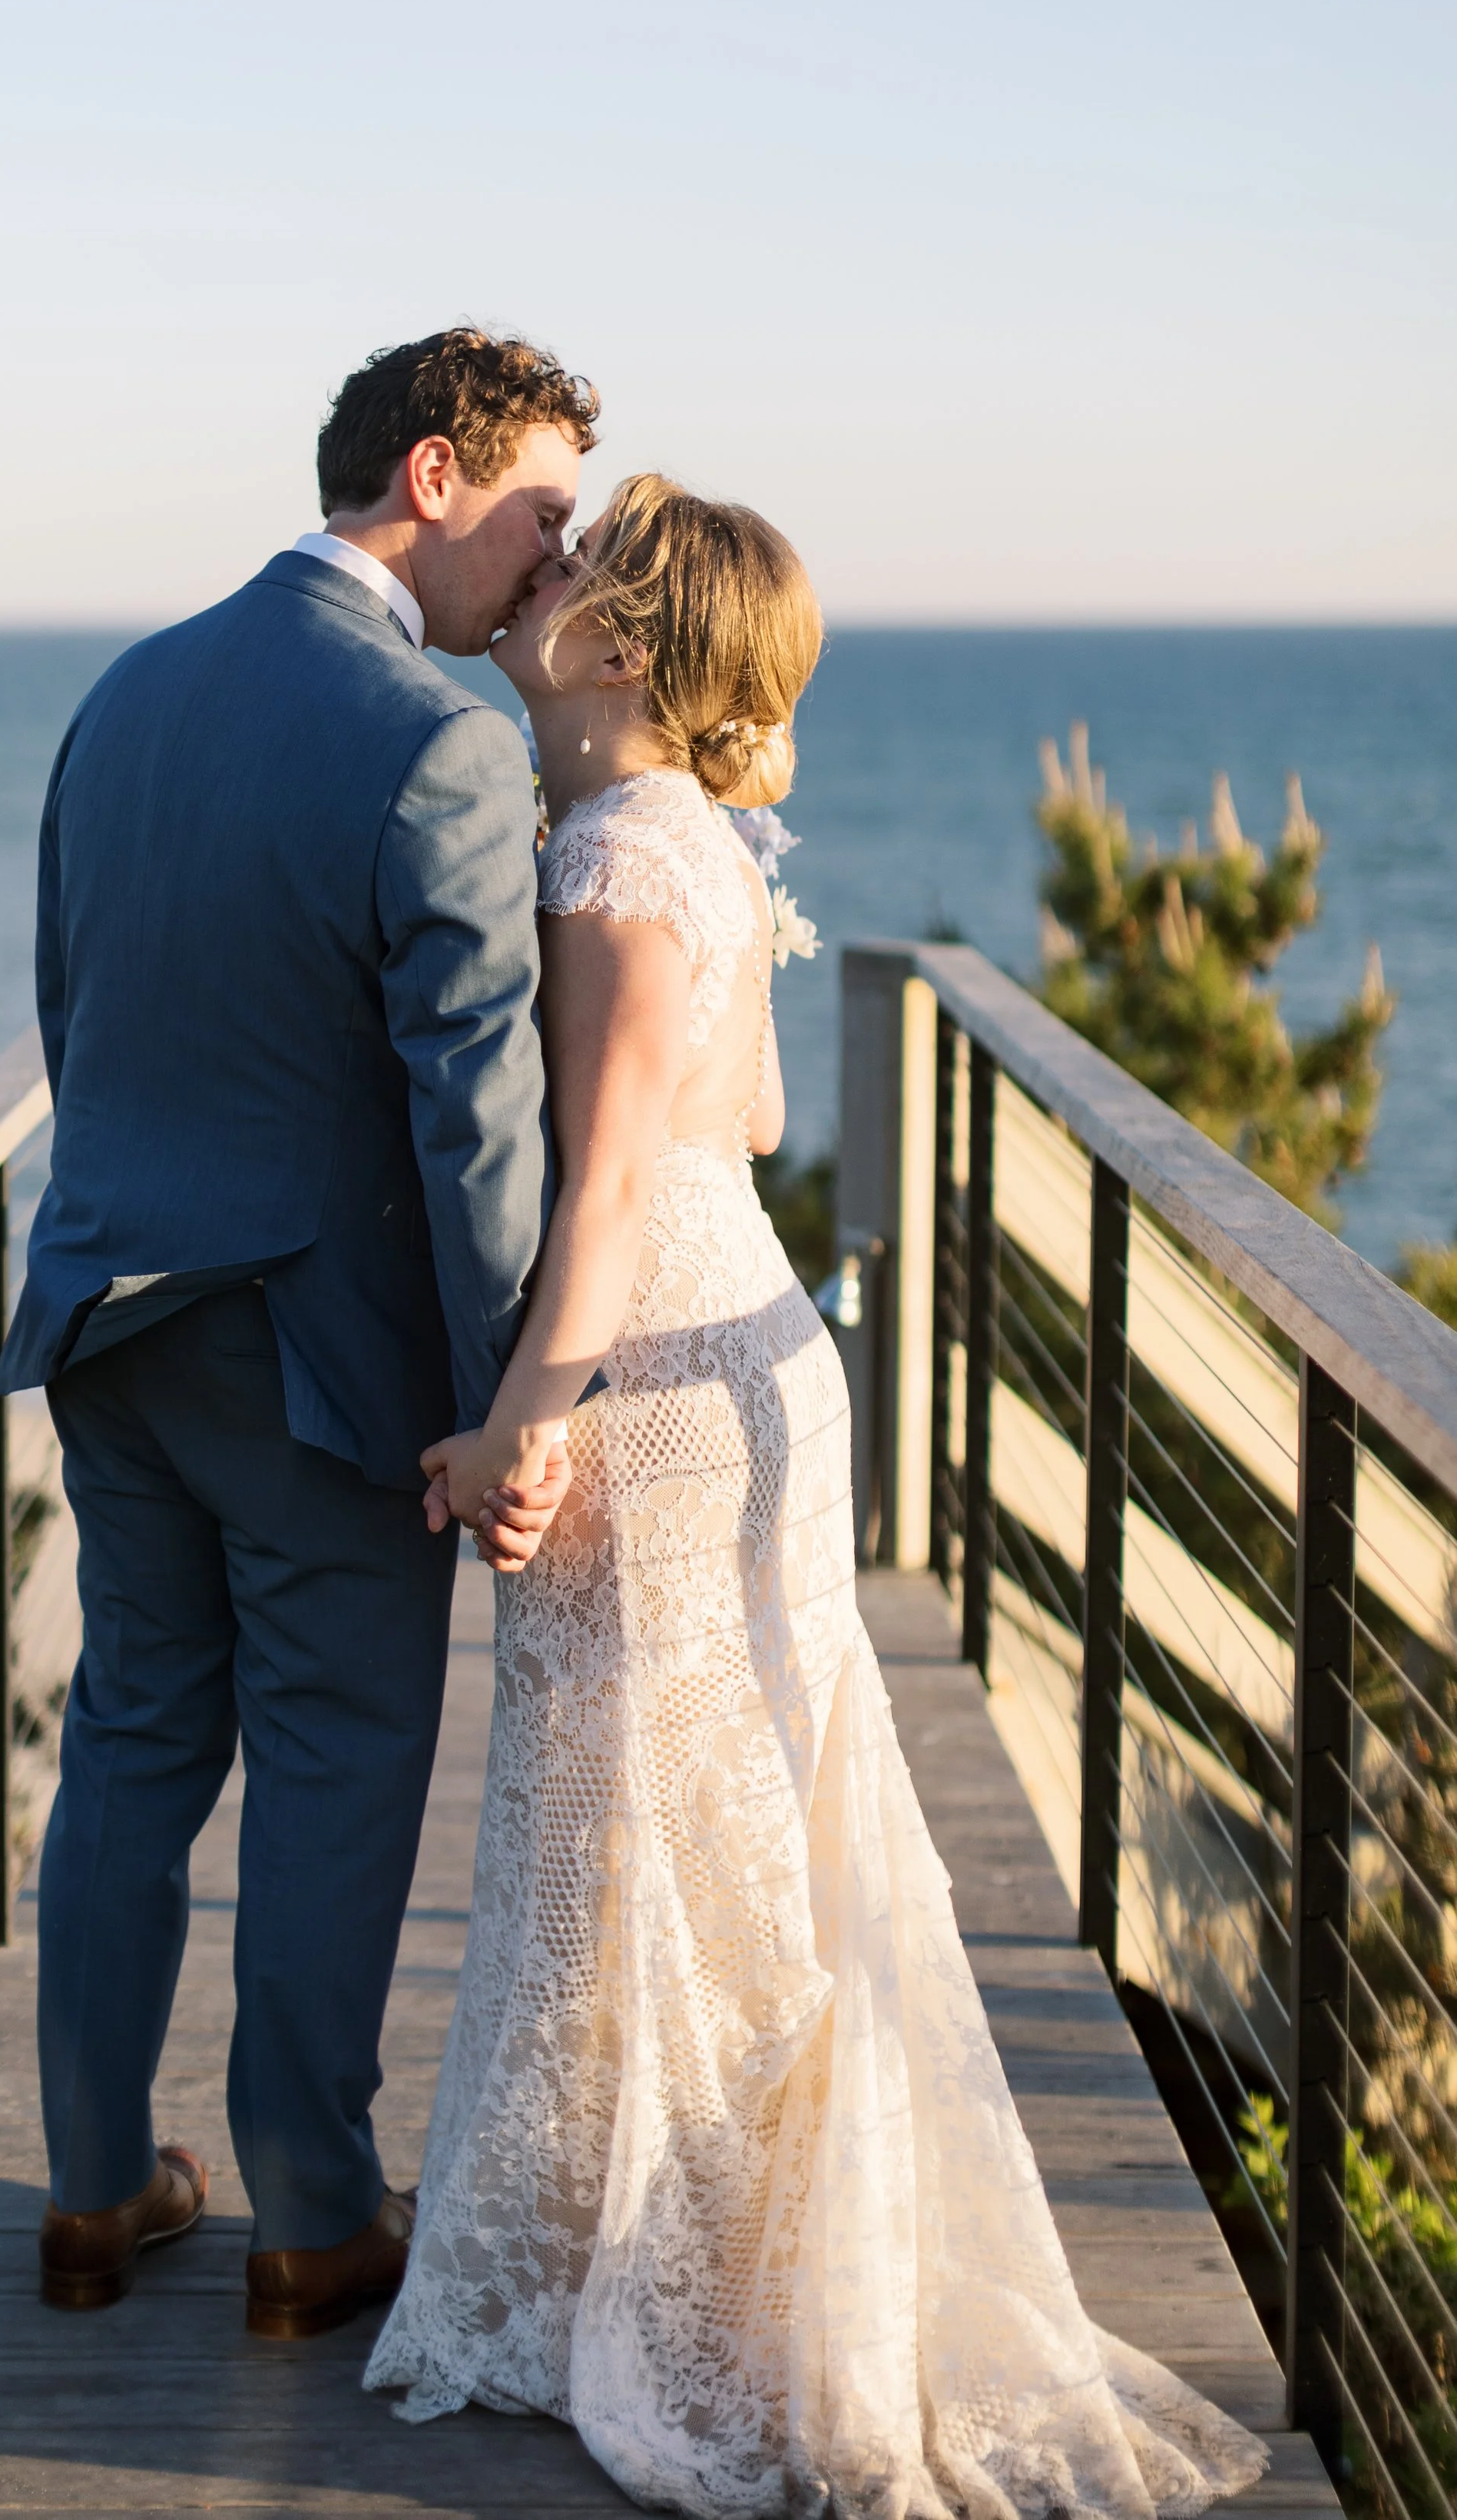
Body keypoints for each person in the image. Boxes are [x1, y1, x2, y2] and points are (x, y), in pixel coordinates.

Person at [366, 476, 1269, 2520]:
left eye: (574, 568)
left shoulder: (602, 856)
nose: (537, 580)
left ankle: (685, 2277)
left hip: (647, 1370)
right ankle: (744, 2248)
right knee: (721, 1803)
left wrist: (522, 1415)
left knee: (628, 1817)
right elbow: (753, 1116)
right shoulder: (693, 841)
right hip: (753, 1334)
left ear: (618, 646)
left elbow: (597, 1185)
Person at [0, 328, 593, 2335]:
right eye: (538, 511)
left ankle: (92, 2190)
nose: (550, 558)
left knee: (135, 1741)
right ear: (432, 475)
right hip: (313, 1353)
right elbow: (475, 1108)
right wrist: (517, 1389)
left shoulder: (123, 691)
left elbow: (75, 1012)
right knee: (334, 1765)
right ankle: (312, 2215)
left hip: (105, 1312)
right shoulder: (433, 739)